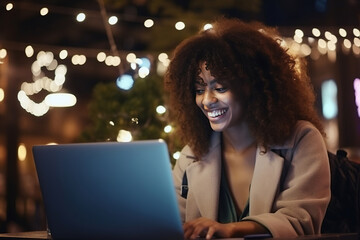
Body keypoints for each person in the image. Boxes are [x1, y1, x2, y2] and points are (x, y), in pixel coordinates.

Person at [164, 18, 331, 239]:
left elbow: (301, 220)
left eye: (220, 87)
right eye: (198, 89)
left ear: (253, 85)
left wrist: (231, 229)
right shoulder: (192, 154)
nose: (207, 100)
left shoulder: (301, 138)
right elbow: (172, 225)